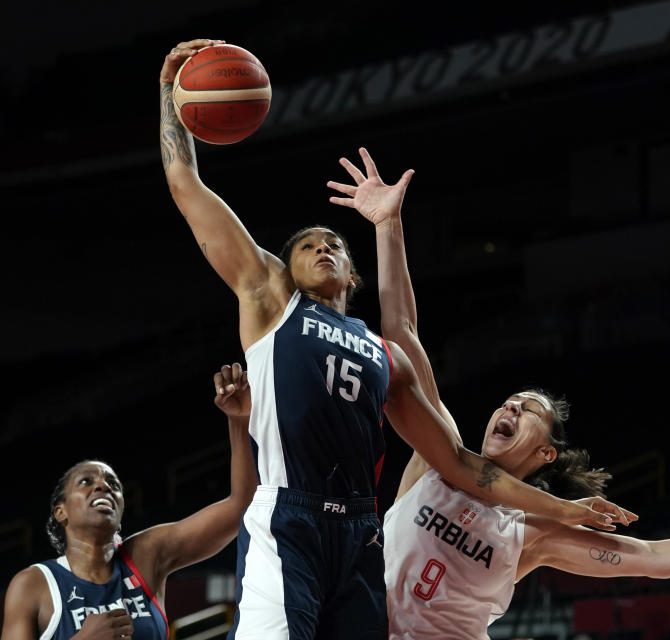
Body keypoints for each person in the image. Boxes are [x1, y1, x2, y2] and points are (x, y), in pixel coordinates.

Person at [159, 39, 630, 640]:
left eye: (334, 243)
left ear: (351, 274)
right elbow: (183, 181)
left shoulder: (388, 357)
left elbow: (458, 462)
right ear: (284, 265)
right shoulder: (270, 297)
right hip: (289, 517)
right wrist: (171, 97)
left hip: (360, 532)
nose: (322, 246)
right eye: (307, 244)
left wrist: (564, 509)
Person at [328, 148, 670, 640]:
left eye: (527, 408)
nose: (509, 406)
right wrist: (388, 225)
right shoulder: (437, 453)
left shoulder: (534, 531)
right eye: (507, 400)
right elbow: (403, 334)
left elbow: (655, 555)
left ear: (544, 453)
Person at [0, 363, 257, 640]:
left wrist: (239, 422)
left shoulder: (147, 554)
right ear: (61, 512)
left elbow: (240, 507)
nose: (103, 486)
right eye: (86, 482)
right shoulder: (33, 584)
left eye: (113, 485)